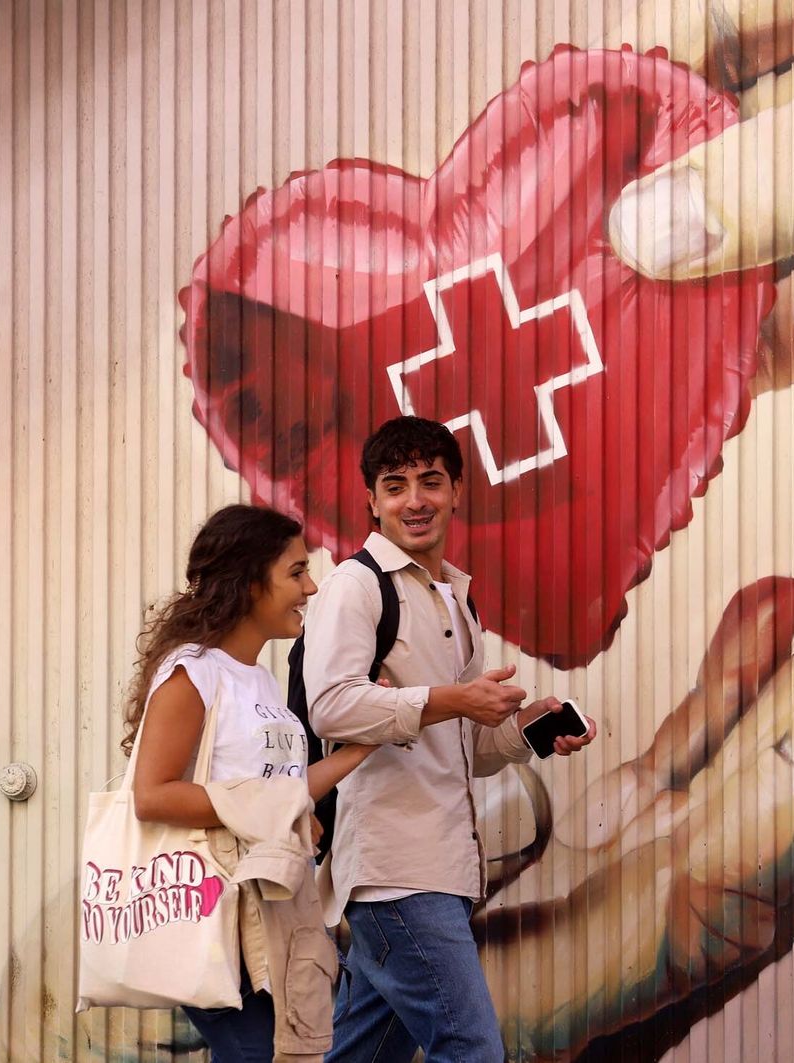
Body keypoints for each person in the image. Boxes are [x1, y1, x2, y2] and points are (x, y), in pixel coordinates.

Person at [304, 416, 597, 1062]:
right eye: (396, 484)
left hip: (439, 870)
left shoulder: (454, 600)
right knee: (473, 1051)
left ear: (458, 490)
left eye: (431, 481)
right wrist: (452, 699)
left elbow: (468, 748)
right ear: (372, 502)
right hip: (398, 874)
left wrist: (528, 730)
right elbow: (331, 706)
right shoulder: (357, 587)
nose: (416, 499)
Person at [123, 503, 378, 1061]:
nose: (310, 587)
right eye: (295, 572)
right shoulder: (194, 671)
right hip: (214, 913)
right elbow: (152, 794)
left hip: (268, 912)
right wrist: (267, 810)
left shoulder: (260, 680)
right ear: (247, 582)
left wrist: (369, 741)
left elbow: (278, 792)